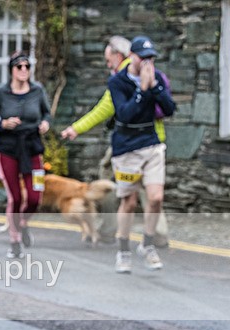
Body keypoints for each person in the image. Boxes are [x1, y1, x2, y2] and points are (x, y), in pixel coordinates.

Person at [61, 36, 170, 247]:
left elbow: (103, 110)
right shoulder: (144, 71)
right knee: (151, 189)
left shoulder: (123, 78)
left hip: (131, 141)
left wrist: (76, 128)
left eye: (108, 59)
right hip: (154, 138)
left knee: (109, 179)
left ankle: (110, 230)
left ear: (118, 55)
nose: (107, 63)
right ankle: (159, 234)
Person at [108, 36, 175, 273]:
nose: (148, 62)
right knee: (129, 201)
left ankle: (147, 244)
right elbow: (125, 114)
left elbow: (169, 109)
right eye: (143, 57)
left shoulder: (157, 78)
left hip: (151, 146)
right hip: (126, 149)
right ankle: (123, 250)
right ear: (132, 58)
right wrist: (143, 91)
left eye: (151, 58)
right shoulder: (118, 82)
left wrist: (155, 86)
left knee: (156, 198)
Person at [0, 51, 52, 259]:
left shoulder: (37, 91)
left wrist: (46, 123)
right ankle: (15, 241)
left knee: (34, 196)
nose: (24, 70)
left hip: (32, 147)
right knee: (15, 197)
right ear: (12, 70)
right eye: (19, 66)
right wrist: (2, 124)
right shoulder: (2, 93)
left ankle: (22, 223)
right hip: (8, 149)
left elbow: (47, 113)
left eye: (27, 66)